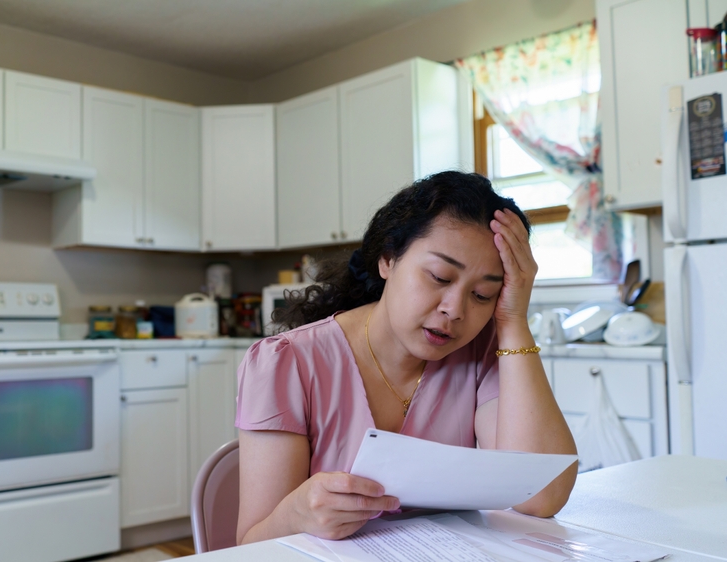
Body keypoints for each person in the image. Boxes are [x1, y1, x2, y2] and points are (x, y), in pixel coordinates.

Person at [234, 171, 577, 544]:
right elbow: (250, 545)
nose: (454, 309)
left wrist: (513, 321)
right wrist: (295, 514)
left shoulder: (482, 353)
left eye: (482, 295)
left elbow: (542, 497)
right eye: (440, 277)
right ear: (387, 259)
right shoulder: (286, 363)